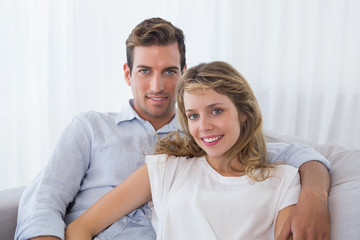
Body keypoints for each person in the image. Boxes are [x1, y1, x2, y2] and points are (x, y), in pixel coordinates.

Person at [15, 17, 330, 240]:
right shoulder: (90, 127)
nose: (157, 85)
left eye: (168, 71)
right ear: (128, 73)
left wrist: (315, 195)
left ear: (184, 72)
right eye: (144, 71)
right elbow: (45, 197)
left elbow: (291, 153)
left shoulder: (202, 139)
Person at [65, 61, 302, 239]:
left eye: (216, 110)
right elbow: (81, 228)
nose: (204, 126)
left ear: (244, 113)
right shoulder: (168, 168)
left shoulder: (283, 180)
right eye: (193, 116)